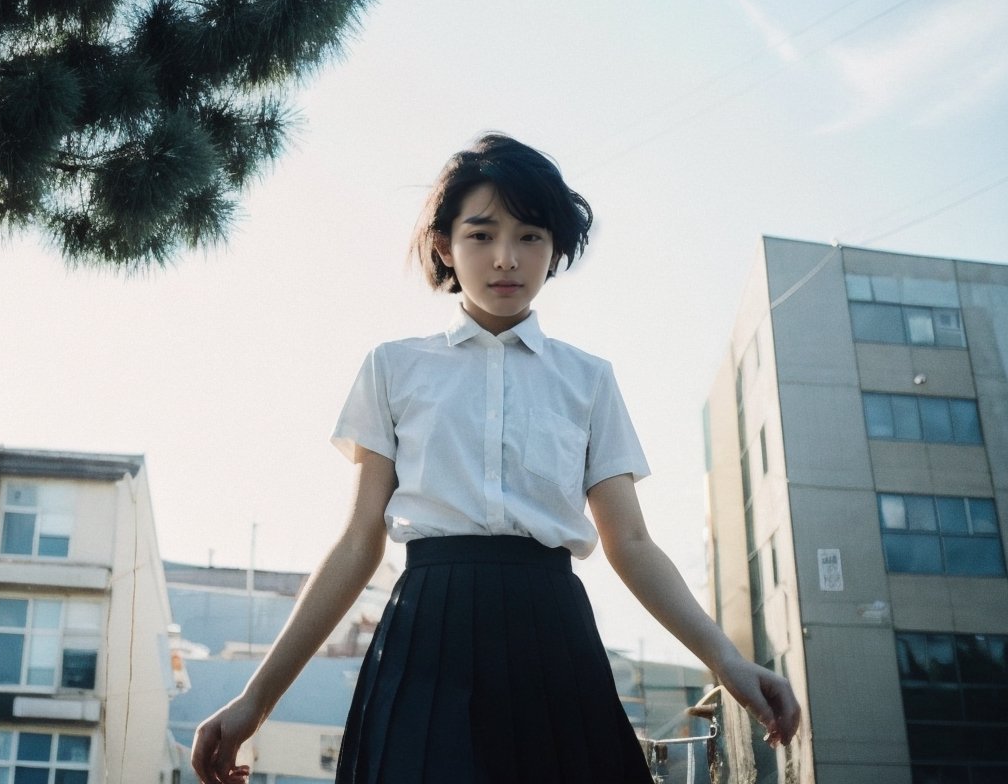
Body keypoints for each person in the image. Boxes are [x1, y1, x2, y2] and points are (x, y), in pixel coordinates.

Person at [190, 133, 801, 784]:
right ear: (443, 244)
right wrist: (256, 699)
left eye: (531, 235)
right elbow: (356, 543)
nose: (506, 258)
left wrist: (728, 663)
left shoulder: (587, 380)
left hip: (551, 636)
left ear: (556, 248)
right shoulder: (394, 368)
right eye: (481, 234)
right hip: (425, 634)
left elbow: (633, 543)